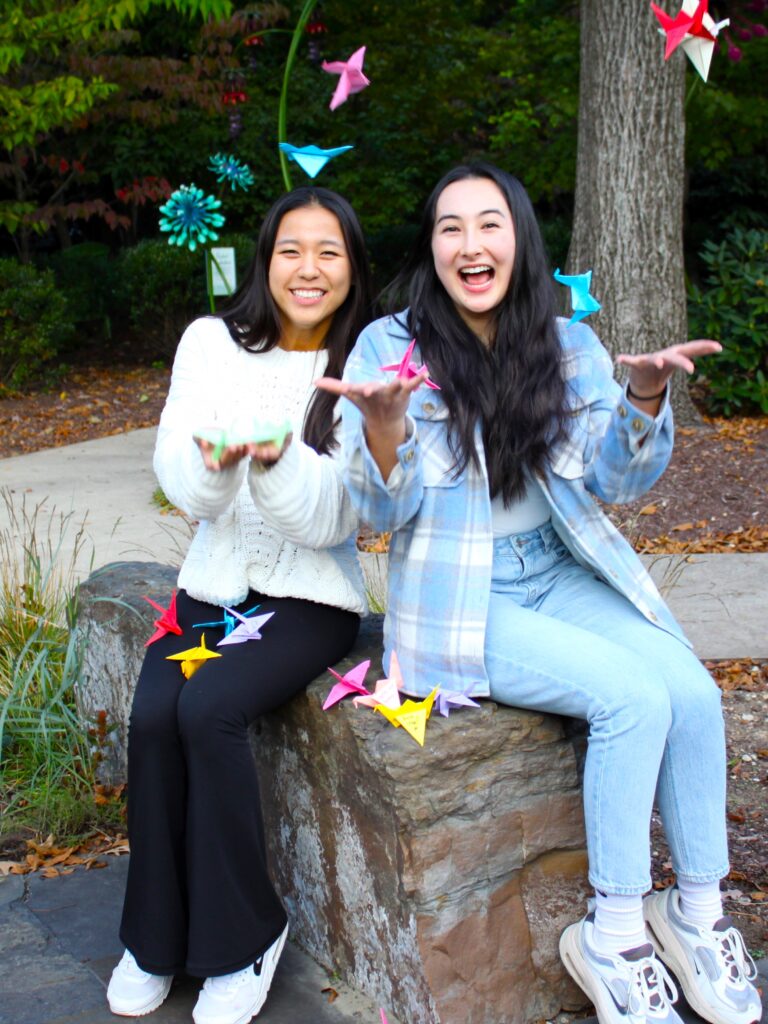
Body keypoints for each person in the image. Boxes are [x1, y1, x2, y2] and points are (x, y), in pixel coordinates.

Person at [317, 163, 762, 1024]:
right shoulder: (387, 348)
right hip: (460, 597)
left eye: (489, 224)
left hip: (559, 571)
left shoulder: (569, 346)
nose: (470, 244)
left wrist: (644, 395)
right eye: (451, 227)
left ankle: (699, 913)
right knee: (631, 698)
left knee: (694, 694)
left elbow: (616, 481)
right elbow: (378, 512)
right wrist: (382, 429)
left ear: (520, 239)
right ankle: (617, 930)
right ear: (433, 246)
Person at [107, 186, 374, 1024]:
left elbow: (340, 517)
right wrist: (221, 465)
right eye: (291, 249)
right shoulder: (210, 343)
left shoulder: (366, 364)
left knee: (210, 707)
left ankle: (245, 937)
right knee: (155, 715)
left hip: (309, 597)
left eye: (329, 252)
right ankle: (153, 939)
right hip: (214, 587)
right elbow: (181, 480)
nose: (308, 268)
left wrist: (274, 461)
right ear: (265, 260)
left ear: (352, 269)